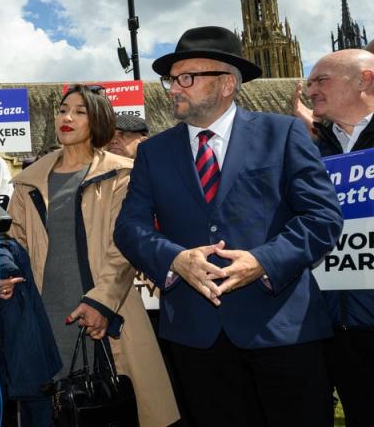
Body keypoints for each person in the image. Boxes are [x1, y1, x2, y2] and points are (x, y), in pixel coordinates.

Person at [113, 26, 343, 427]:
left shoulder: (282, 133)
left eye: (187, 78)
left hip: (281, 331)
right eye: (171, 79)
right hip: (196, 338)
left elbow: (322, 217)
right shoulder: (153, 152)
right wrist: (175, 259)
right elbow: (130, 228)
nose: (172, 89)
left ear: (225, 83)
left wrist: (262, 262)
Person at [2, 85, 178, 426]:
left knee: (106, 409)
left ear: (98, 120)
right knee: (47, 412)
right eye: (63, 109)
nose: (67, 117)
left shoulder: (123, 174)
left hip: (103, 314)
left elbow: (125, 248)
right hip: (43, 320)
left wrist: (101, 303)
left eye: (80, 111)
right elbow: (13, 243)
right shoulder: (27, 183)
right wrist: (4, 271)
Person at [304, 48, 374, 426]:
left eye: (321, 81)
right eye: (311, 83)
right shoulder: (309, 151)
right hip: (335, 329)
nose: (310, 90)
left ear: (364, 80)